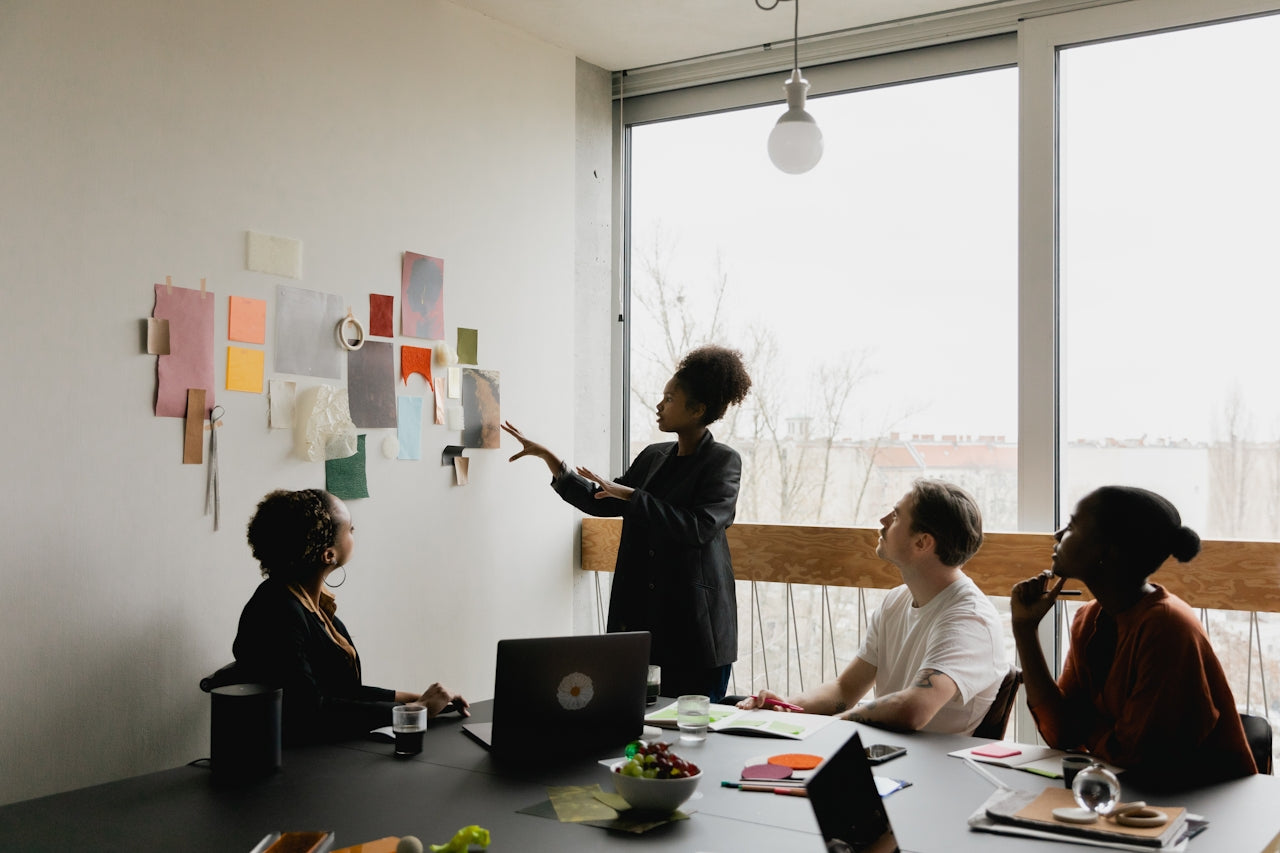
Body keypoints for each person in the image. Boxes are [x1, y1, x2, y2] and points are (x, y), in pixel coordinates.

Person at [502, 344, 752, 702]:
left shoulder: (723, 461)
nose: (659, 405)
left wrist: (633, 497)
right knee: (636, 718)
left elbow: (699, 528)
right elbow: (603, 499)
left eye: (670, 398)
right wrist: (553, 461)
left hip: (694, 630)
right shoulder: (654, 456)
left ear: (697, 409)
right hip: (641, 621)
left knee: (694, 725)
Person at [1011, 485, 1256, 789]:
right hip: (1135, 792)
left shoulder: (1165, 626)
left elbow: (1135, 756)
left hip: (1203, 799)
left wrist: (1082, 724)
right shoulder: (1088, 618)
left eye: (1072, 526)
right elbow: (1061, 732)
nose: (1058, 534)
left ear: (1107, 550)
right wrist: (1024, 629)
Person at [739, 480, 1006, 734]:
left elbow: (915, 708)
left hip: (932, 764)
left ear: (922, 542)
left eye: (896, 516)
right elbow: (845, 690)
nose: (883, 520)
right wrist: (786, 707)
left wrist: (833, 724)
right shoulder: (896, 601)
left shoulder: (969, 619)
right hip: (886, 752)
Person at [232, 489, 468, 745]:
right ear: (328, 554)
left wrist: (413, 699)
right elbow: (309, 710)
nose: (354, 532)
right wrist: (416, 711)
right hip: (304, 758)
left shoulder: (311, 603)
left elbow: (342, 692)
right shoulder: (277, 612)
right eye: (350, 529)